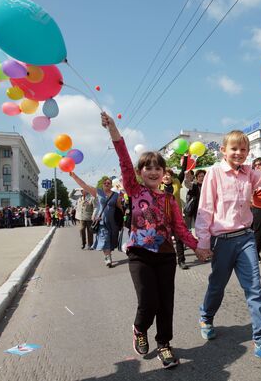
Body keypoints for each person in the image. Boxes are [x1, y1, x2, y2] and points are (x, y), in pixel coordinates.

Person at [102, 112, 199, 368]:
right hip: (140, 254)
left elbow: (180, 228)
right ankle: (140, 328)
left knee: (166, 303)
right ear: (140, 172)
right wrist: (114, 131)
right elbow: (123, 160)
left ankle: (164, 344)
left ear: (164, 172)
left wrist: (197, 247)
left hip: (166, 256)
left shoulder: (169, 200)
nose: (154, 171)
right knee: (148, 301)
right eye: (148, 167)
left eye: (158, 167)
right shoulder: (134, 191)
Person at [195, 130, 261, 365]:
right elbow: (205, 210)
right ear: (223, 150)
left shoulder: (249, 172)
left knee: (255, 289)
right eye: (234, 149)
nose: (239, 153)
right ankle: (206, 316)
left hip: (246, 238)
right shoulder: (214, 173)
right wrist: (202, 243)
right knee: (217, 286)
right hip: (221, 241)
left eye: (243, 149)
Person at [70, 173, 122, 267]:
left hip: (113, 222)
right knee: (104, 239)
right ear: (102, 184)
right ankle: (107, 257)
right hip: (101, 221)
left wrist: (123, 220)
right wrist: (74, 176)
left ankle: (109, 253)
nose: (107, 184)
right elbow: (84, 185)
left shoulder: (116, 195)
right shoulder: (98, 192)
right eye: (105, 183)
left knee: (112, 240)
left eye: (109, 183)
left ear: (111, 185)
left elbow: (120, 208)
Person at [161, 158, 188, 270]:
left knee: (179, 239)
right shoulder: (158, 186)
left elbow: (183, 171)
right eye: (164, 175)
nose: (166, 177)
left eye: (168, 175)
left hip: (176, 217)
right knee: (164, 240)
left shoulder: (177, 183)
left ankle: (181, 261)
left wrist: (185, 157)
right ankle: (166, 261)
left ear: (171, 176)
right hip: (164, 218)